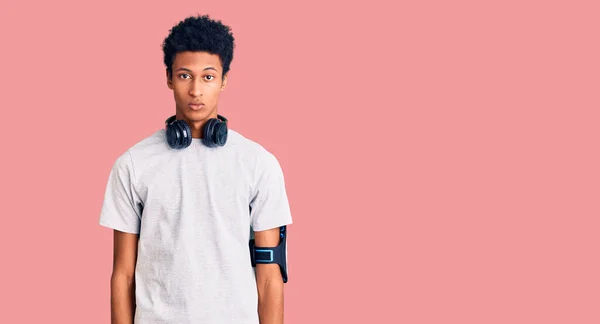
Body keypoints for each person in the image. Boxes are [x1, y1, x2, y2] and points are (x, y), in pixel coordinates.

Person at [98, 14, 293, 324]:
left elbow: (270, 278)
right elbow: (122, 274)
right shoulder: (133, 164)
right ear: (168, 78)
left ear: (224, 79)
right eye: (185, 76)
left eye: (208, 76)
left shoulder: (259, 164)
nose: (196, 91)